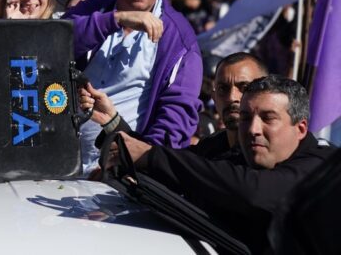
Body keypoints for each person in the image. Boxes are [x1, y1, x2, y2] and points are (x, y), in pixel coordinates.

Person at [81, 75, 334, 252]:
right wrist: (115, 127)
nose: (253, 129)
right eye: (246, 118)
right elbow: (180, 169)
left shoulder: (323, 169)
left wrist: (151, 156)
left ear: (300, 128)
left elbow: (255, 193)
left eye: (268, 118)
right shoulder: (228, 153)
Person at [64, 0, 202, 172]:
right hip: (61, 167)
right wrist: (116, 19)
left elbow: (176, 118)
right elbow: (53, 40)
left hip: (120, 175)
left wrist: (136, 168)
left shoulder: (179, 38)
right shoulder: (94, 11)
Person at [190, 52, 268, 159]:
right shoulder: (203, 153)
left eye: (244, 88)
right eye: (223, 89)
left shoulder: (284, 158)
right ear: (214, 97)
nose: (231, 97)